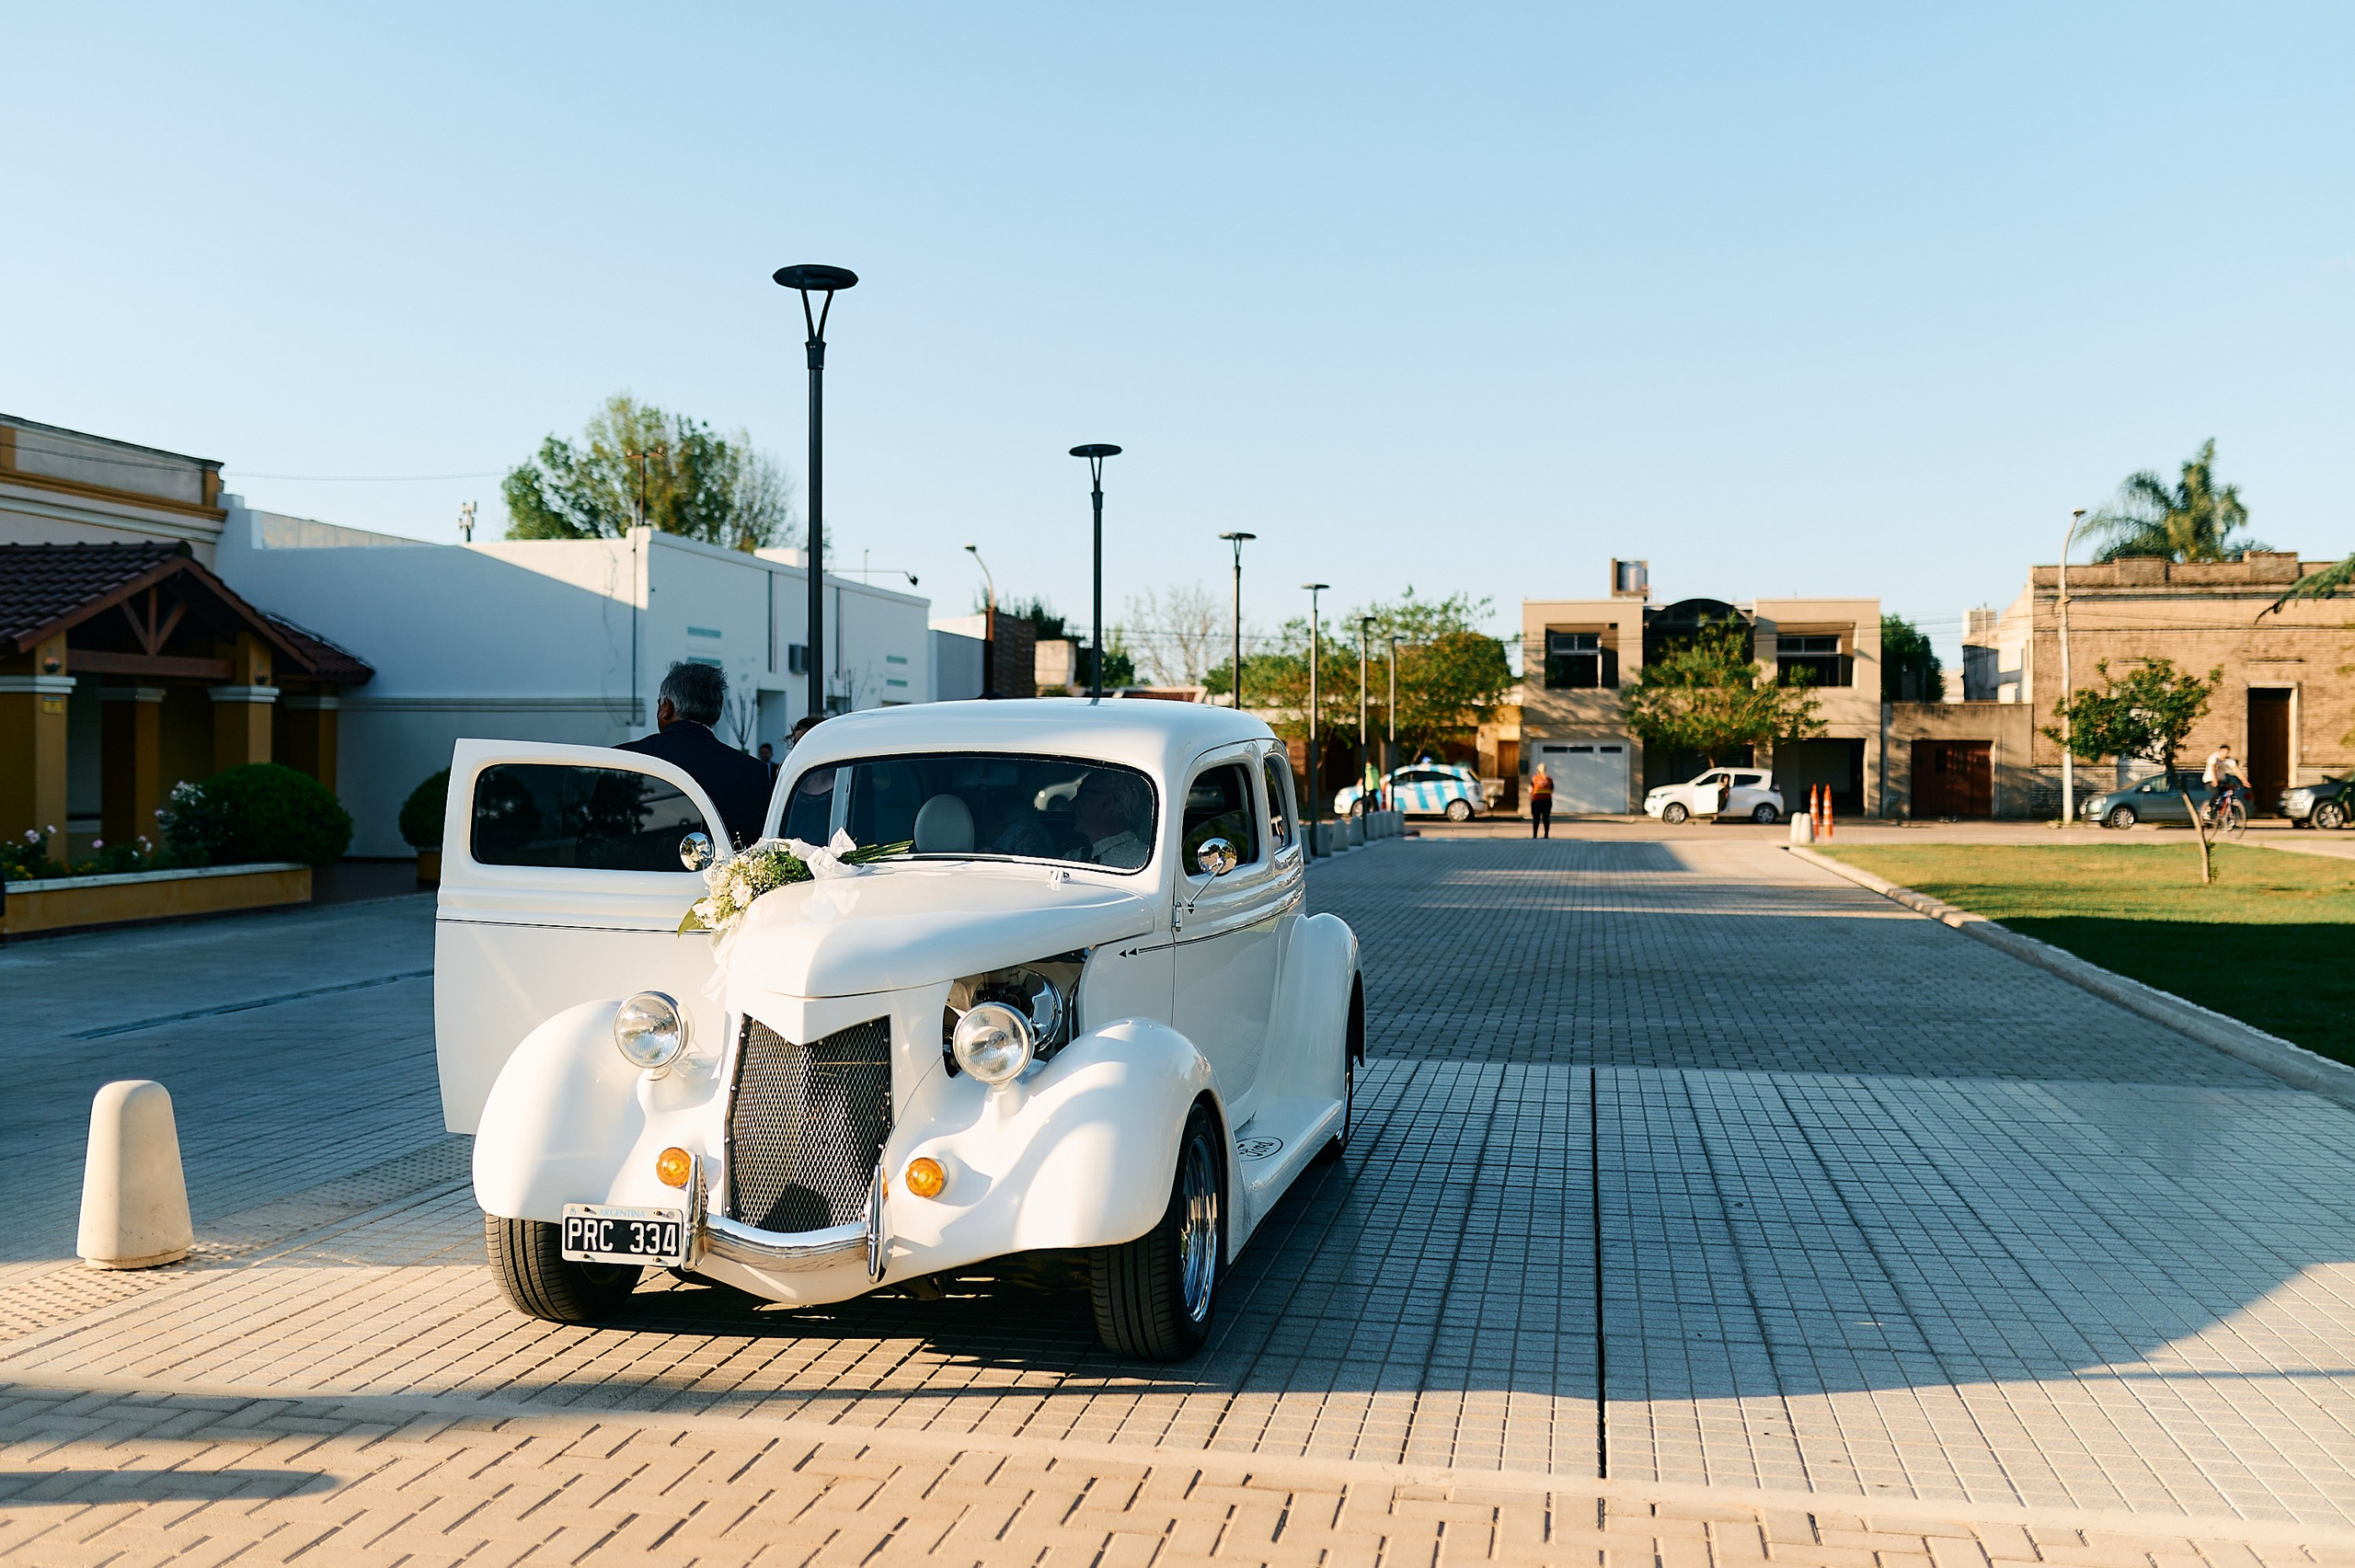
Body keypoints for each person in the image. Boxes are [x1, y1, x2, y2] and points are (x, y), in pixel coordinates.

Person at [616, 662, 774, 849]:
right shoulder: (752, 771)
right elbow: (762, 844)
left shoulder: (623, 759)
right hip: (726, 876)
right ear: (717, 712)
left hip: (635, 874)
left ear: (666, 707)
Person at [1073, 769, 1150, 869]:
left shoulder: (1142, 863)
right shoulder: (1075, 856)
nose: (1071, 805)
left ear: (1107, 804)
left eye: (1082, 796)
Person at [2203, 741, 2246, 827]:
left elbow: (2236, 770)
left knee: (2229, 792)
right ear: (2220, 751)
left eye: (2228, 752)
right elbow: (2212, 768)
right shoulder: (2214, 757)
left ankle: (2225, 814)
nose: (2226, 754)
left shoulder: (2229, 760)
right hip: (2210, 780)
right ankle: (2208, 810)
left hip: (2221, 780)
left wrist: (2244, 781)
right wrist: (2214, 780)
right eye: (2225, 752)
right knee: (2216, 792)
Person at [1528, 766, 1555, 839]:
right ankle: (1546, 835)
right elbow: (1552, 790)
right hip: (1547, 801)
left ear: (1538, 770)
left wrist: (1531, 796)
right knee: (1546, 818)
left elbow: (1530, 789)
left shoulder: (1534, 779)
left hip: (1536, 800)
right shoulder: (1549, 779)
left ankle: (1535, 835)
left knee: (1536, 818)